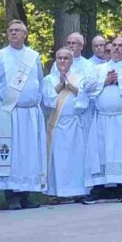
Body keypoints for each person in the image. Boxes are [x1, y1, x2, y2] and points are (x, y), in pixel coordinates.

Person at [0, 20, 46, 210]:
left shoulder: (33, 56)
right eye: (11, 30)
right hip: (8, 113)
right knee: (10, 155)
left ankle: (26, 196)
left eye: (17, 31)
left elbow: (40, 82)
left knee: (28, 155)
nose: (13, 33)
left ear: (25, 34)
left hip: (29, 114)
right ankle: (11, 195)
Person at [83, 37, 122, 202]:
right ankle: (100, 186)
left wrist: (119, 80)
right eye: (114, 46)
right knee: (101, 152)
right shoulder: (99, 69)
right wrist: (105, 81)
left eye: (120, 46)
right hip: (103, 118)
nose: (116, 48)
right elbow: (86, 85)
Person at [43, 47, 89, 200]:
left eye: (66, 58)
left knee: (75, 159)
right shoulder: (49, 79)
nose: (62, 61)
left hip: (74, 125)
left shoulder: (80, 77)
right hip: (57, 125)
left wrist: (70, 86)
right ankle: (58, 192)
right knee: (58, 160)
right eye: (59, 58)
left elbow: (83, 100)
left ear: (71, 60)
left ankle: (77, 191)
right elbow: (48, 102)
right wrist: (60, 85)